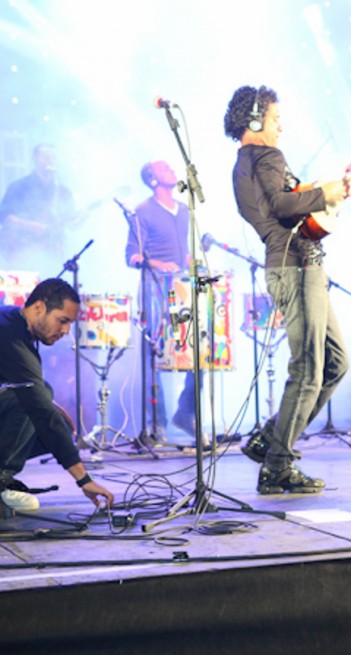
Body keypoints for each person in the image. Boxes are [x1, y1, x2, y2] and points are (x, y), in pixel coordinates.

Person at [224, 85, 351, 494]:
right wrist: (325, 193)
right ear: (255, 121)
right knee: (308, 369)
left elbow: (285, 205)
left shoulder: (244, 164)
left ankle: (269, 439)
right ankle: (278, 466)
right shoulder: (267, 156)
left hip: (296, 266)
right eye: (276, 119)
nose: (281, 127)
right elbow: (280, 207)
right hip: (295, 268)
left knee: (335, 363)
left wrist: (326, 192)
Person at [0, 278, 114, 512]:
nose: (65, 331)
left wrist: (46, 400)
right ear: (39, 307)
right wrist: (83, 479)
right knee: (31, 403)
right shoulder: (10, 335)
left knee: (44, 397)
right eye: (62, 321)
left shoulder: (11, 321)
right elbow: (37, 407)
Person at [125, 160, 203, 442]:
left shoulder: (183, 211)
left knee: (199, 349)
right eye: (163, 168)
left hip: (182, 290)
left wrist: (193, 263)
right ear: (152, 178)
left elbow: (183, 252)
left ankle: (185, 412)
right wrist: (158, 263)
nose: (171, 169)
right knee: (154, 354)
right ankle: (156, 424)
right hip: (155, 289)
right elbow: (132, 255)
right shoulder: (142, 211)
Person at [0, 144, 75, 273]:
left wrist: (82, 218)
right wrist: (33, 226)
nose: (50, 160)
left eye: (53, 157)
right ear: (35, 160)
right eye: (46, 157)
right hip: (22, 254)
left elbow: (70, 223)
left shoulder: (63, 191)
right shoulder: (18, 187)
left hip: (52, 255)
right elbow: (6, 218)